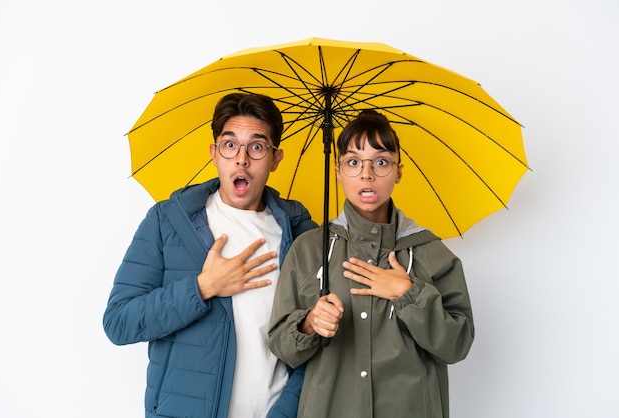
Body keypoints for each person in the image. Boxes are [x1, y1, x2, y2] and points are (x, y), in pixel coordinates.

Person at [103, 92, 318, 418]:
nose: (242, 159)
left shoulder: (301, 235)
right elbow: (119, 322)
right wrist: (202, 287)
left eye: (257, 147)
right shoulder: (167, 222)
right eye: (230, 145)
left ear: (276, 159)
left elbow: (313, 344)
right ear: (214, 153)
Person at [268, 109, 474, 418]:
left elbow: (457, 345)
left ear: (398, 172)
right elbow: (280, 345)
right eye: (353, 162)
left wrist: (410, 294)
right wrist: (309, 323)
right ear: (337, 171)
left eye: (381, 162)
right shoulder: (309, 250)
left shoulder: (432, 253)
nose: (367, 174)